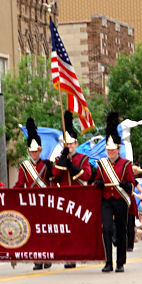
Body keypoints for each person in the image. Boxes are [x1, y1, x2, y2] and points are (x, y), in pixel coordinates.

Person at [51, 111, 92, 268]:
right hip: (64, 199)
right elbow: (55, 174)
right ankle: (70, 256)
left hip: (79, 196)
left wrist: (72, 165)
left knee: (79, 228)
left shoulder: (83, 158)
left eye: (72, 144)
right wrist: (63, 159)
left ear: (76, 144)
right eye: (67, 144)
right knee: (66, 228)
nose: (69, 146)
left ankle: (81, 251)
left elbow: (87, 176)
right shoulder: (59, 159)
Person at [94, 112, 134, 273]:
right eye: (108, 149)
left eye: (113, 150)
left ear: (118, 149)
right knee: (107, 229)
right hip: (106, 200)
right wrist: (98, 182)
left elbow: (131, 184)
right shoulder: (102, 164)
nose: (110, 152)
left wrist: (125, 185)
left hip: (120, 199)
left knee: (121, 229)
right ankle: (108, 261)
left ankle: (120, 262)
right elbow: (97, 178)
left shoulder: (126, 164)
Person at [14, 117, 52, 270]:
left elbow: (54, 178)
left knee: (45, 231)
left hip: (45, 202)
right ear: (29, 151)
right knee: (34, 232)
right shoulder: (24, 166)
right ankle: (37, 259)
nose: (34, 153)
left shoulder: (46, 164)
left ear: (40, 151)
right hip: (31, 202)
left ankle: (47, 257)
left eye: (36, 151)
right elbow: (19, 184)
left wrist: (51, 167)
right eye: (32, 151)